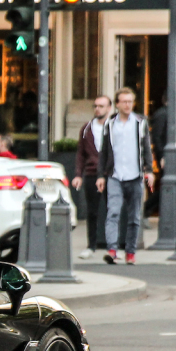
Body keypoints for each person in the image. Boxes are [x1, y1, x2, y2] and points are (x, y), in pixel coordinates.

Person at [97, 88, 154, 265]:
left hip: (135, 175)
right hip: (115, 175)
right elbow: (104, 151)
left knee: (134, 216)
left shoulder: (140, 122)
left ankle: (130, 252)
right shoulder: (110, 124)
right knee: (113, 213)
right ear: (118, 104)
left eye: (130, 101)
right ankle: (113, 250)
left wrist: (149, 170)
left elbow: (146, 148)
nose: (128, 105)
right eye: (125, 101)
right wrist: (101, 175)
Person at [72, 95, 111, 259]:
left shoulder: (115, 127)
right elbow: (81, 153)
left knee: (112, 210)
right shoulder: (86, 129)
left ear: (109, 108)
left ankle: (112, 246)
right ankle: (91, 245)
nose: (98, 109)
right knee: (92, 211)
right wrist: (78, 175)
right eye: (95, 106)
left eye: (101, 106)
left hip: (111, 174)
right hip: (91, 174)